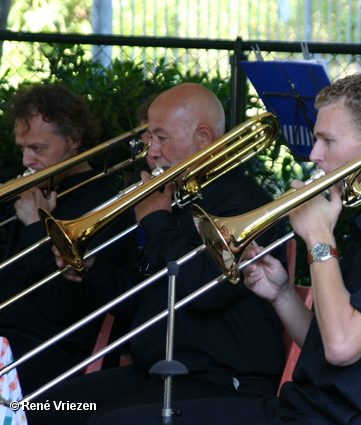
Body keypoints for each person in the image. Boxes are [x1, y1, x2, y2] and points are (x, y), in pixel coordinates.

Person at [85, 73, 361, 425]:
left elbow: (341, 347)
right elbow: (323, 342)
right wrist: (281, 294)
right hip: (299, 408)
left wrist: (319, 240)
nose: (314, 154)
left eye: (328, 141)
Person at [26, 82, 287, 425]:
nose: (151, 151)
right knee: (44, 408)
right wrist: (91, 270)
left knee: (105, 421)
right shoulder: (174, 198)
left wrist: (158, 222)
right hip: (159, 375)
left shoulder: (243, 204)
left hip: (222, 381)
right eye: (149, 137)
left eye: (161, 138)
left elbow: (204, 292)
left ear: (204, 138)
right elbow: (145, 301)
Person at [0, 83, 139, 395]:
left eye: (37, 149)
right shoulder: (35, 193)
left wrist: (37, 226)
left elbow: (60, 309)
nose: (25, 161)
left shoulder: (100, 205)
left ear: (74, 140)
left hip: (51, 357)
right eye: (22, 148)